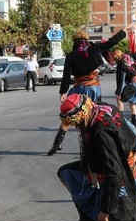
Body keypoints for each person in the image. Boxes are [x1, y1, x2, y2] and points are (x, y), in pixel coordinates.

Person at [56, 94, 136, 221]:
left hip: (120, 179)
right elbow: (129, 125)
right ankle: (86, 219)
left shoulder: (101, 133)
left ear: (83, 113)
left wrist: (104, 213)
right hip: (101, 167)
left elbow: (115, 175)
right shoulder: (100, 106)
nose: (75, 126)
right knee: (66, 173)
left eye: (76, 121)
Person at [47, 26, 129, 155]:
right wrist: (124, 31)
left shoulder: (70, 56)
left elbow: (66, 75)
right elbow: (110, 42)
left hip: (78, 88)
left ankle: (57, 143)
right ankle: (92, 145)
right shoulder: (93, 49)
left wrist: (62, 92)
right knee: (94, 116)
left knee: (69, 116)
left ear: (74, 42)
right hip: (93, 88)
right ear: (86, 40)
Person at [112, 49, 136, 126]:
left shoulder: (121, 64)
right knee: (132, 103)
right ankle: (134, 122)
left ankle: (120, 119)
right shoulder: (129, 57)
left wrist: (118, 92)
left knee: (119, 99)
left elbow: (120, 79)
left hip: (132, 84)